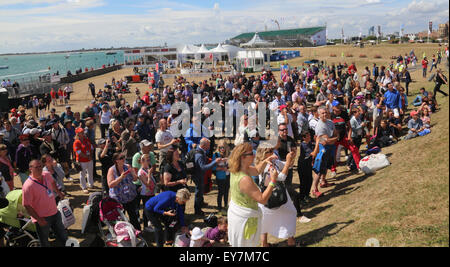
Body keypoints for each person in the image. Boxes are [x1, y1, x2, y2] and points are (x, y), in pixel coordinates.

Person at [227, 142, 278, 247]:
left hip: (238, 215)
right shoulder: (244, 179)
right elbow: (262, 199)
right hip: (245, 221)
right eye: (251, 154)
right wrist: (273, 181)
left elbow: (257, 170)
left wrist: (265, 161)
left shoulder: (238, 168)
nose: (254, 155)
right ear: (243, 157)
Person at [255, 145, 298, 247]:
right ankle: (290, 241)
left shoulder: (274, 162)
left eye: (272, 150)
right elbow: (280, 177)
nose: (273, 152)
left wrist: (291, 157)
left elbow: (288, 166)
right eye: (270, 151)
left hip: (273, 194)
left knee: (265, 218)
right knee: (290, 213)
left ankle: (265, 244)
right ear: (264, 154)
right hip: (274, 194)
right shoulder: (266, 165)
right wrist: (287, 162)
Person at [22, 159, 67, 247]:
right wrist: (39, 219)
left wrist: (58, 192)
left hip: (54, 212)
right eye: (36, 167)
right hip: (42, 218)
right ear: (30, 169)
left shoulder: (46, 174)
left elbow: (53, 182)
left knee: (62, 235)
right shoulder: (28, 186)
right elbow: (26, 205)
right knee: (44, 241)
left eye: (40, 166)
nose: (39, 169)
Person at [107, 153, 140, 231]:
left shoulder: (127, 167)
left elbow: (135, 179)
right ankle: (122, 233)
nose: (123, 159)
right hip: (119, 198)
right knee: (120, 218)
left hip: (130, 196)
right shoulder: (112, 170)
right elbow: (110, 185)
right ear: (116, 161)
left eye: (124, 157)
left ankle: (137, 231)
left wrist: (133, 173)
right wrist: (120, 178)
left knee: (133, 216)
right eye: (121, 158)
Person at [192, 138, 224, 216]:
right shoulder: (199, 155)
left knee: (200, 191)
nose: (210, 147)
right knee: (198, 192)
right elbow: (203, 167)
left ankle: (201, 203)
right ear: (203, 145)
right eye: (208, 145)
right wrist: (214, 162)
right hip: (198, 176)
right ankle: (197, 210)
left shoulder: (200, 151)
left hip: (199, 175)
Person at [137, 153, 157, 232]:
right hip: (146, 194)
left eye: (149, 159)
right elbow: (147, 184)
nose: (149, 161)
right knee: (146, 210)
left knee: (150, 208)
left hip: (151, 192)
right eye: (147, 160)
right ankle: (145, 226)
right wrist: (149, 174)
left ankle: (149, 223)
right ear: (142, 161)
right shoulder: (141, 172)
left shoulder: (147, 168)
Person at [73, 127, 94, 193]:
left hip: (89, 159)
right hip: (82, 161)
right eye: (81, 132)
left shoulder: (86, 139)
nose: (83, 133)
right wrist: (87, 157)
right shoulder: (76, 142)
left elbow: (91, 148)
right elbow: (79, 153)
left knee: (90, 172)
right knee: (82, 174)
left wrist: (90, 155)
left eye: (83, 132)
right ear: (78, 134)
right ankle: (84, 187)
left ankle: (90, 184)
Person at [212, 140, 230, 213]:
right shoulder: (215, 155)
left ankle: (226, 205)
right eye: (220, 147)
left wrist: (228, 161)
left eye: (223, 147)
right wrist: (222, 168)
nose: (222, 149)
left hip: (228, 176)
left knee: (226, 192)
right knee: (220, 192)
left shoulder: (229, 154)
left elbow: (233, 164)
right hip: (220, 176)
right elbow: (213, 167)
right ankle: (219, 207)